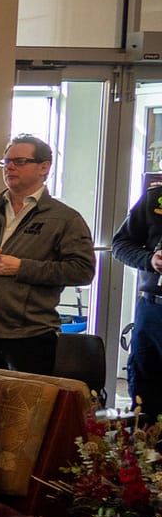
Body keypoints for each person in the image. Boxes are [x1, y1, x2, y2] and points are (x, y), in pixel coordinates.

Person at [0, 134, 95, 375]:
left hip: (29, 335)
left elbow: (82, 271)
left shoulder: (65, 219)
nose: (10, 167)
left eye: (20, 161)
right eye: (5, 162)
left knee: (26, 408)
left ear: (44, 167)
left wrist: (22, 267)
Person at [111, 178, 162, 423]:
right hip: (153, 311)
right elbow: (120, 244)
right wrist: (150, 260)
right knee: (146, 389)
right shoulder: (155, 198)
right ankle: (144, 454)